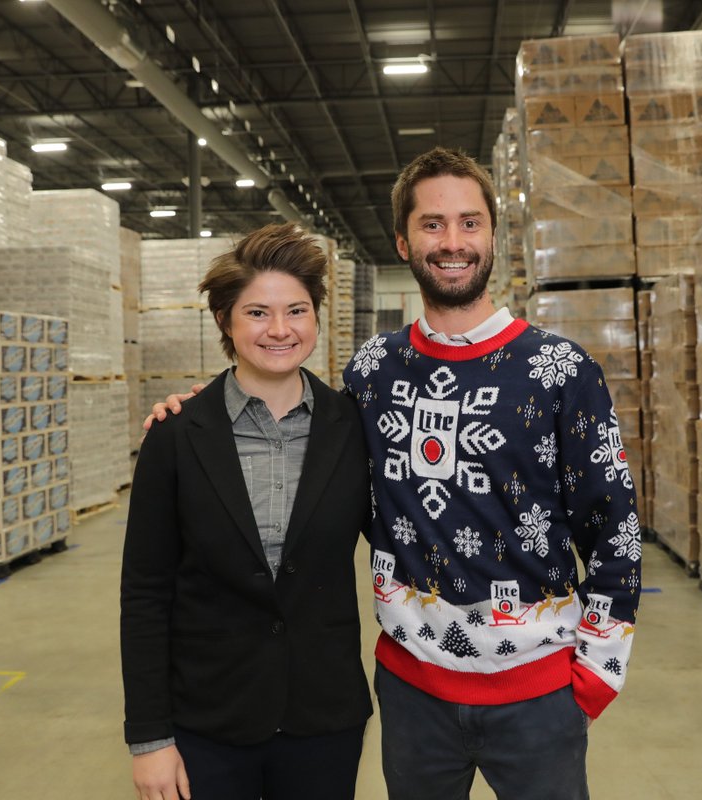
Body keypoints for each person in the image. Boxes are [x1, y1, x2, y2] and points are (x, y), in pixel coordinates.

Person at [148, 147, 641, 800]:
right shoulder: (373, 370)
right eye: (433, 224)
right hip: (413, 697)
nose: (453, 242)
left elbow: (615, 528)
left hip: (539, 697)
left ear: (494, 235)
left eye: (470, 222)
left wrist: (598, 673)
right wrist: (204, 410)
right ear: (404, 242)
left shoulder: (559, 369)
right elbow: (304, 433)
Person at [123, 222, 372, 800]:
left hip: (324, 719)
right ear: (225, 323)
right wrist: (149, 737)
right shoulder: (178, 434)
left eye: (297, 310)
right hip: (208, 721)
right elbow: (145, 592)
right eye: (258, 313)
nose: (280, 330)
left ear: (315, 318)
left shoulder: (353, 429)